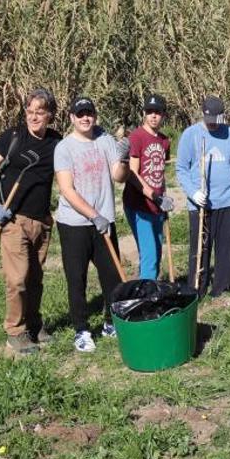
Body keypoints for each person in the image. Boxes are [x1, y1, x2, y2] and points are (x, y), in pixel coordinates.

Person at [0, 88, 63, 355]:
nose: (33, 117)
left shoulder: (56, 141)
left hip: (42, 221)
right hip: (14, 220)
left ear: (50, 115)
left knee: (35, 278)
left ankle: (35, 325)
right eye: (29, 111)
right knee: (17, 280)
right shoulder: (12, 138)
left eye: (40, 111)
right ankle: (15, 332)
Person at [53, 96, 130, 353]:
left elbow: (118, 177)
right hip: (74, 224)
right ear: (72, 118)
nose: (85, 118)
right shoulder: (64, 148)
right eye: (80, 114)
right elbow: (67, 189)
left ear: (95, 116)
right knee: (77, 278)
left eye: (89, 113)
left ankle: (111, 322)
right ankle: (82, 330)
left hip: (104, 222)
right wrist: (92, 214)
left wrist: (125, 157)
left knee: (113, 278)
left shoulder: (105, 141)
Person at [176, 96, 230, 298]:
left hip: (227, 200)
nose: (213, 123)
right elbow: (181, 169)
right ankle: (197, 289)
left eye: (217, 119)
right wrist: (193, 192)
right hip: (201, 204)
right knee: (201, 248)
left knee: (226, 249)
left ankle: (221, 289)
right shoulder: (191, 135)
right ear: (203, 114)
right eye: (209, 119)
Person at [122, 93, 175, 280]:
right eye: (150, 111)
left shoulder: (164, 140)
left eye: (157, 112)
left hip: (158, 206)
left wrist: (164, 197)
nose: (153, 116)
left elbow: (160, 173)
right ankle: (146, 300)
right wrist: (154, 196)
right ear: (144, 113)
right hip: (139, 204)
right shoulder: (137, 137)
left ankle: (150, 288)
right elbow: (132, 173)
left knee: (157, 252)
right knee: (150, 255)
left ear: (163, 115)